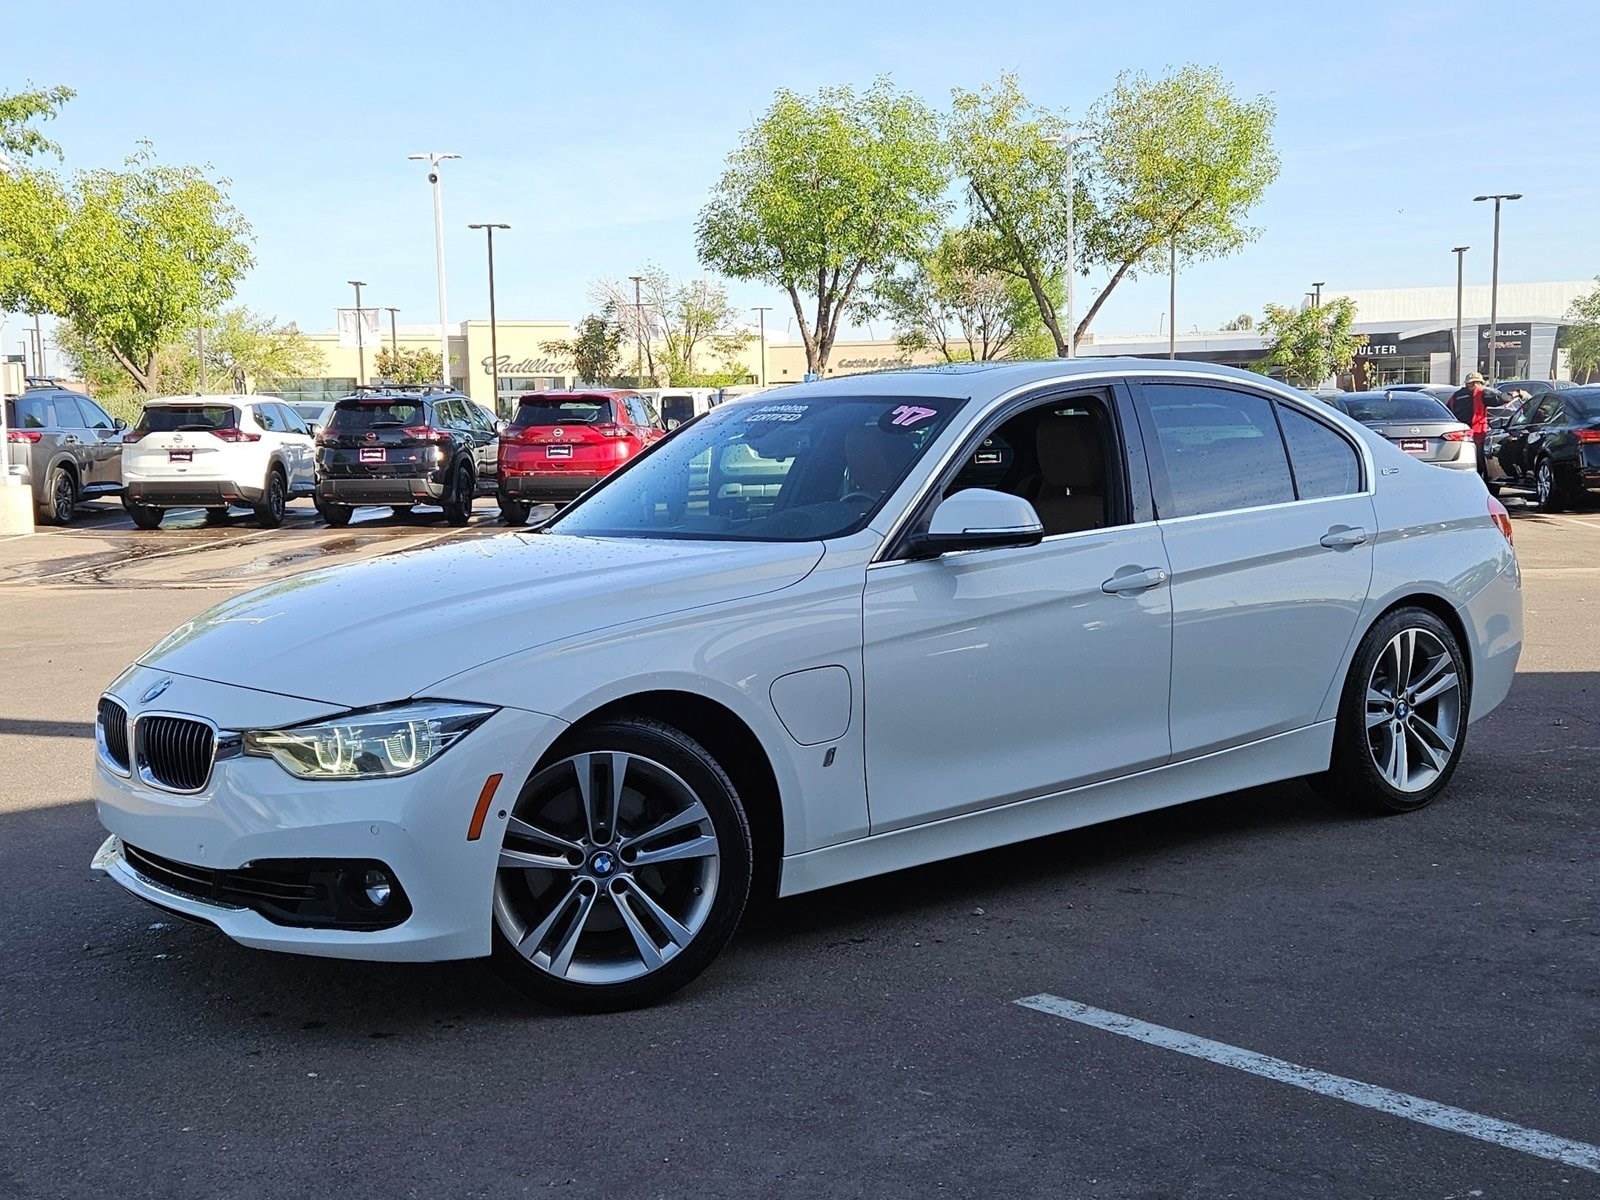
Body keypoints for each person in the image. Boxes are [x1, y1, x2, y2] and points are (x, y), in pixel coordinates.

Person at [1449, 371, 1490, 481]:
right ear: (1476, 383)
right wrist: (1517, 393)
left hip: (1459, 434)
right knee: (1479, 460)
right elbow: (1501, 399)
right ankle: (1481, 481)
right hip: (1477, 432)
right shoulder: (1481, 393)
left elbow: (1448, 410)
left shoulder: (1455, 395)